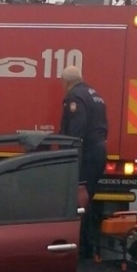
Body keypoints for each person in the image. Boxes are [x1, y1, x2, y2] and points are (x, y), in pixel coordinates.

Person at [59, 64, 108, 259]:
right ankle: (88, 246)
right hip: (98, 151)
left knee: (79, 200)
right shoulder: (94, 93)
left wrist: (68, 158)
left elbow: (75, 132)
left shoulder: (75, 97)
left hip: (86, 154)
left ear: (67, 81)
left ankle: (84, 248)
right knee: (87, 198)